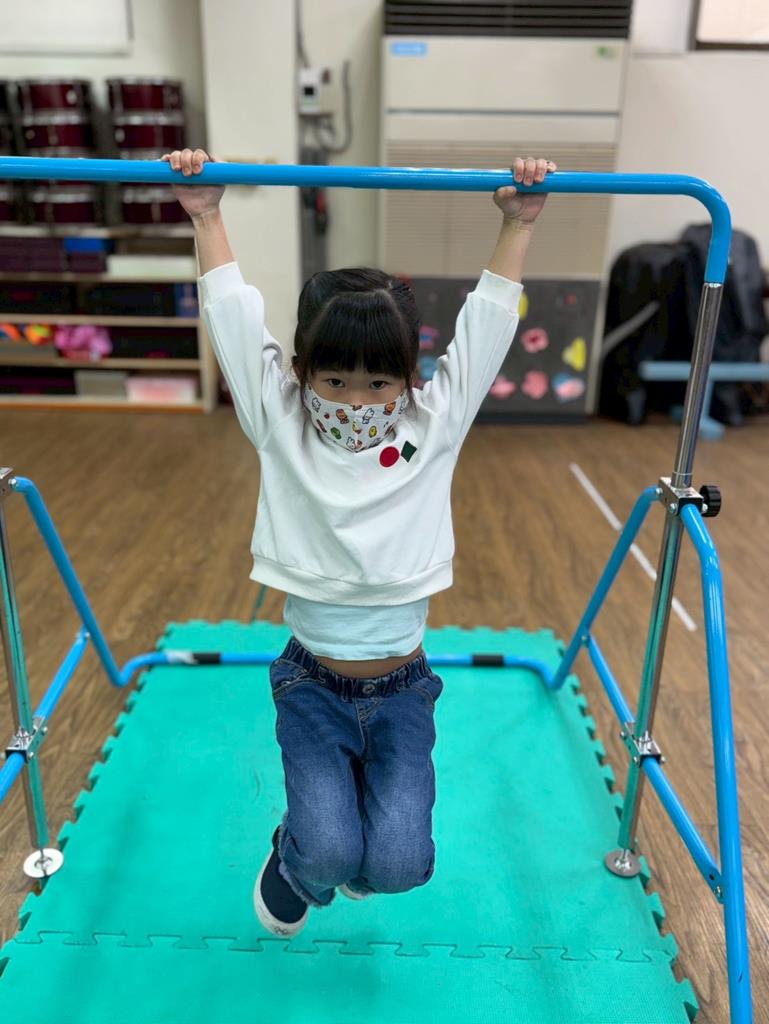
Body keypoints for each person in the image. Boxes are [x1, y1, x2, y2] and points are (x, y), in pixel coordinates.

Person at [164, 148, 556, 937]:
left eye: (377, 383)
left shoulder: (433, 426)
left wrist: (516, 225)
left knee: (397, 867)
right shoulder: (280, 423)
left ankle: (332, 841)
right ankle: (295, 855)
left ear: (410, 378)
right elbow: (233, 321)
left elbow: (484, 329)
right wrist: (207, 216)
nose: (354, 401)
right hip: (311, 689)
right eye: (334, 380)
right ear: (301, 372)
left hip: (403, 691)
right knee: (327, 857)